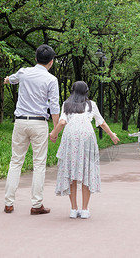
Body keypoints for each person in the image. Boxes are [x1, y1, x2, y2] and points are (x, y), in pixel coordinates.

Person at [3, 44, 60, 215]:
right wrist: (55, 131)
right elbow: (54, 107)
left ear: (35, 58)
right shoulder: (51, 80)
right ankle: (36, 205)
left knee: (15, 161)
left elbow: (11, 79)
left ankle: (8, 203)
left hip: (20, 122)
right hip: (39, 123)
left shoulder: (24, 72)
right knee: (39, 164)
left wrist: (6, 79)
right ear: (51, 62)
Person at [49, 81, 119, 219]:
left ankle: (74, 209)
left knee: (71, 171)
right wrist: (112, 135)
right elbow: (101, 122)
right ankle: (85, 209)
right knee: (86, 171)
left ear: (72, 91)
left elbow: (62, 122)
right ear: (86, 92)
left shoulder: (66, 104)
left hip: (71, 139)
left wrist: (53, 134)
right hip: (87, 138)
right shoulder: (91, 104)